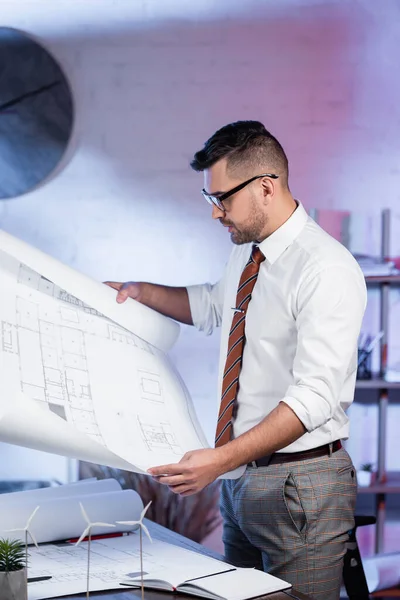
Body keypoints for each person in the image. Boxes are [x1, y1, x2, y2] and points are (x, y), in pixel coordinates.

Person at [105, 120, 367, 600]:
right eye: (212, 199)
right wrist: (140, 292)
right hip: (241, 480)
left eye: (221, 198)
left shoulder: (325, 269)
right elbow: (212, 305)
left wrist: (218, 461)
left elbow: (314, 399)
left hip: (300, 485)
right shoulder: (249, 253)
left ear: (266, 187)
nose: (215, 213)